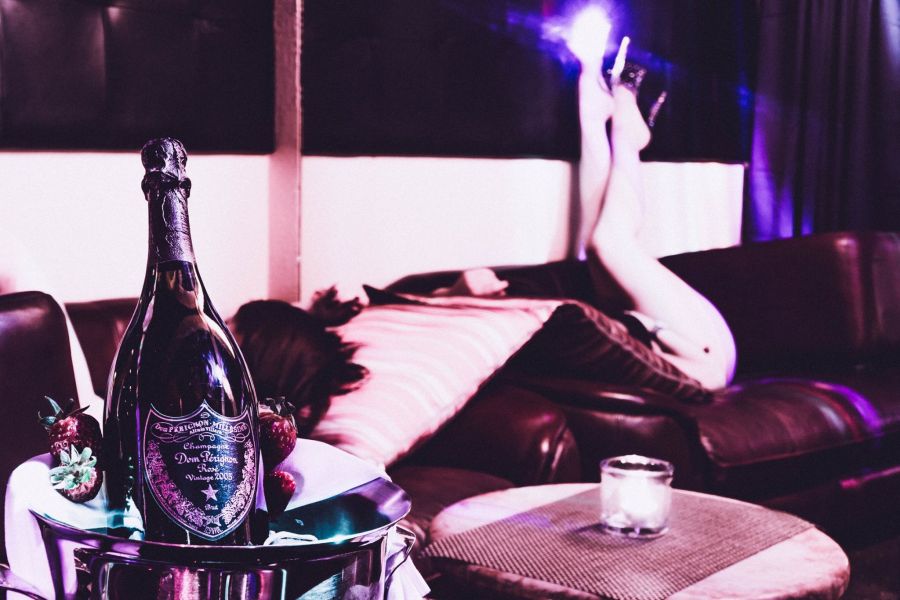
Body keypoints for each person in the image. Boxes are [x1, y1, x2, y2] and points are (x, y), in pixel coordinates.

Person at [446, 38, 737, 390]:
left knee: (596, 246)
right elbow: (707, 375)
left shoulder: (490, 328)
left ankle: (596, 110)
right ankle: (626, 128)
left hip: (667, 333)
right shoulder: (516, 349)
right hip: (697, 354)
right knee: (607, 243)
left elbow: (414, 305)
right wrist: (656, 330)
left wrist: (455, 294)